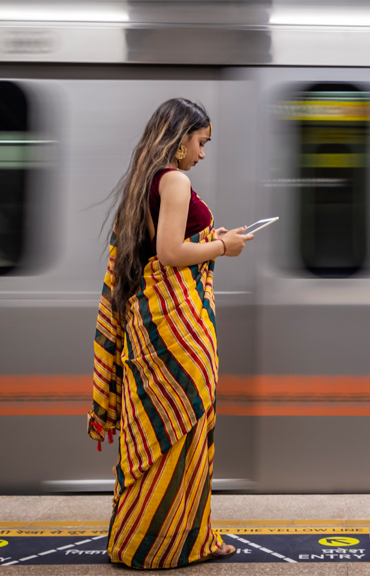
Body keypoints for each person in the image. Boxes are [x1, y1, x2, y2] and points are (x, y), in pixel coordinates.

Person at [86, 98, 252, 569]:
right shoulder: (176, 179)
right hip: (180, 335)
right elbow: (171, 253)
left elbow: (162, 246)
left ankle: (143, 541)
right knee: (188, 435)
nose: (202, 154)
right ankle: (179, 542)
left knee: (157, 437)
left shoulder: (147, 180)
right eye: (201, 143)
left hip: (151, 327)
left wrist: (211, 237)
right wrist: (224, 245)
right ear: (181, 138)